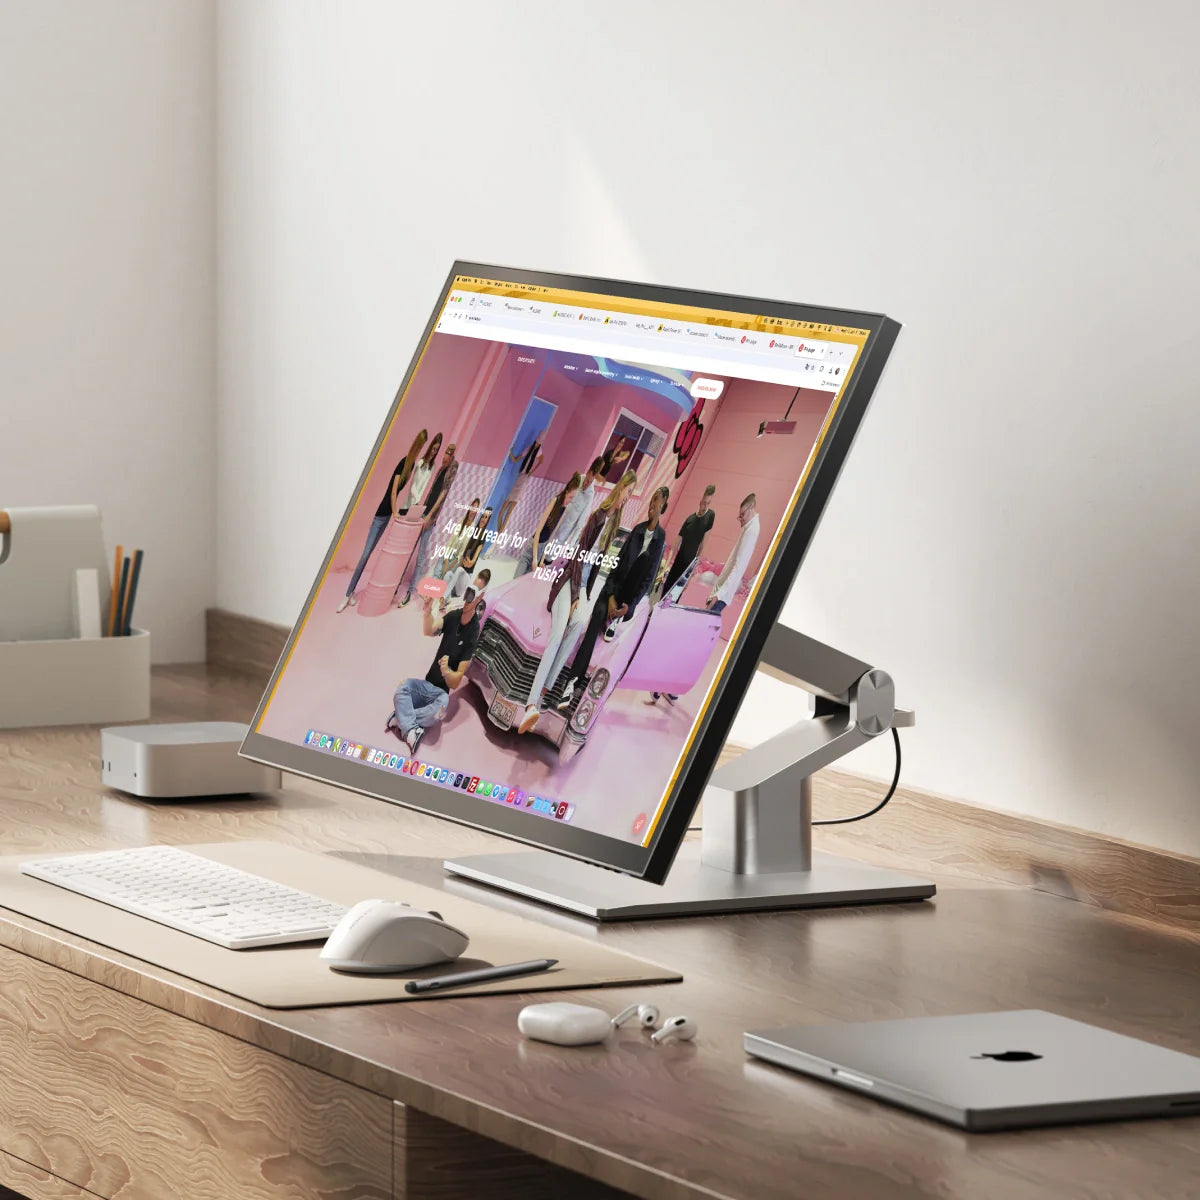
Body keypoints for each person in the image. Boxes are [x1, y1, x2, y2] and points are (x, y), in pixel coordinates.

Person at [517, 470, 638, 736]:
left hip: (581, 588)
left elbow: (594, 569)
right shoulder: (597, 517)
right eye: (627, 491)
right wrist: (574, 596)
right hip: (566, 583)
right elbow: (577, 560)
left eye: (631, 494)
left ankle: (547, 690)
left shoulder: (612, 527)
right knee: (558, 634)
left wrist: (586, 597)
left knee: (579, 625)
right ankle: (530, 704)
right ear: (620, 488)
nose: (628, 497)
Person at [557, 485, 669, 712]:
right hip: (611, 592)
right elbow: (616, 567)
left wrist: (628, 608)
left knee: (643, 563)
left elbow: (648, 579)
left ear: (664, 504)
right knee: (593, 626)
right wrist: (609, 597)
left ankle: (615, 620)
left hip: (627, 600)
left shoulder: (660, 539)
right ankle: (571, 685)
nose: (651, 505)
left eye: (656, 501)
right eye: (651, 500)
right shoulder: (636, 530)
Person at [386, 570, 490, 754]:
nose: (468, 596)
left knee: (439, 711)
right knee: (402, 688)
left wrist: (446, 671)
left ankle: (401, 718)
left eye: (474, 592)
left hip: (440, 695)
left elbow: (456, 681)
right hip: (426, 685)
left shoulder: (473, 633)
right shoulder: (453, 615)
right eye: (469, 589)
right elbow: (429, 630)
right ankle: (409, 728)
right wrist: (427, 612)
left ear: (480, 597)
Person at [337, 428, 427, 613]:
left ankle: (351, 593)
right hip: (381, 514)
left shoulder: (412, 467)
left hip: (388, 516)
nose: (419, 449)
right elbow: (393, 491)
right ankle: (347, 595)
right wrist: (395, 512)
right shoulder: (404, 463)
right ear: (415, 444)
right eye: (419, 445)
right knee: (365, 554)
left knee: (370, 555)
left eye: (422, 446)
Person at [397, 442, 459, 606]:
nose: (445, 455)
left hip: (430, 518)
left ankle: (410, 592)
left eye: (448, 453)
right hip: (423, 512)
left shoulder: (452, 468)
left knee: (421, 555)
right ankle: (396, 585)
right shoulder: (439, 469)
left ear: (452, 455)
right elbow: (432, 492)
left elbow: (443, 494)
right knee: (409, 550)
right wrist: (422, 509)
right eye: (445, 451)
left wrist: (430, 516)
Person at [515, 473, 581, 578]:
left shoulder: (565, 509)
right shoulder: (554, 501)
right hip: (533, 546)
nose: (570, 501)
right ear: (566, 492)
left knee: (525, 582)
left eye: (572, 499)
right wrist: (535, 558)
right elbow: (538, 533)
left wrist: (542, 560)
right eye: (570, 497)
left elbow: (551, 537)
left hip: (542, 549)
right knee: (516, 579)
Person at [706, 493, 759, 615]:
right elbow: (732, 563)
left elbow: (738, 567)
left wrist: (719, 595)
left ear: (751, 507)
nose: (742, 518)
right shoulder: (749, 527)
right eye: (740, 516)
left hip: (723, 593)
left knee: (706, 622)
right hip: (721, 589)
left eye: (742, 514)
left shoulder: (752, 529)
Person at [662, 483, 716, 595]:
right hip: (677, 563)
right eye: (704, 503)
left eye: (708, 504)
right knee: (665, 592)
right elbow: (675, 545)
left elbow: (702, 548)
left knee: (674, 597)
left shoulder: (710, 516)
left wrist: (690, 575)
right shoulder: (689, 519)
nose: (706, 506)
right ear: (700, 501)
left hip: (688, 567)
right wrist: (666, 566)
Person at [497, 428, 544, 532]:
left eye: (538, 443)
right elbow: (516, 459)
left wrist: (532, 471)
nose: (536, 444)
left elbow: (541, 461)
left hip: (524, 481)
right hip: (519, 479)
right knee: (503, 509)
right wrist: (510, 453)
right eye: (536, 442)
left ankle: (499, 534)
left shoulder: (539, 451)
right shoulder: (528, 449)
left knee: (509, 512)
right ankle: (498, 532)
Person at [443, 506, 492, 600]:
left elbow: (474, 559)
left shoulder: (484, 535)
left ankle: (444, 597)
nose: (483, 519)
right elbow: (464, 553)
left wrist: (470, 562)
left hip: (466, 576)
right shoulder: (472, 531)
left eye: (486, 517)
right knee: (448, 574)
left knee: (458, 571)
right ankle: (447, 598)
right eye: (483, 516)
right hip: (458, 576)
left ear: (488, 520)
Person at [399, 431, 442, 515]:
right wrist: (418, 499)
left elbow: (425, 485)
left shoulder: (432, 466)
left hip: (417, 507)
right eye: (433, 449)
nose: (434, 452)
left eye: (437, 450)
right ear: (430, 447)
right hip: (407, 505)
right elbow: (413, 486)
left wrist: (420, 502)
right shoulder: (420, 463)